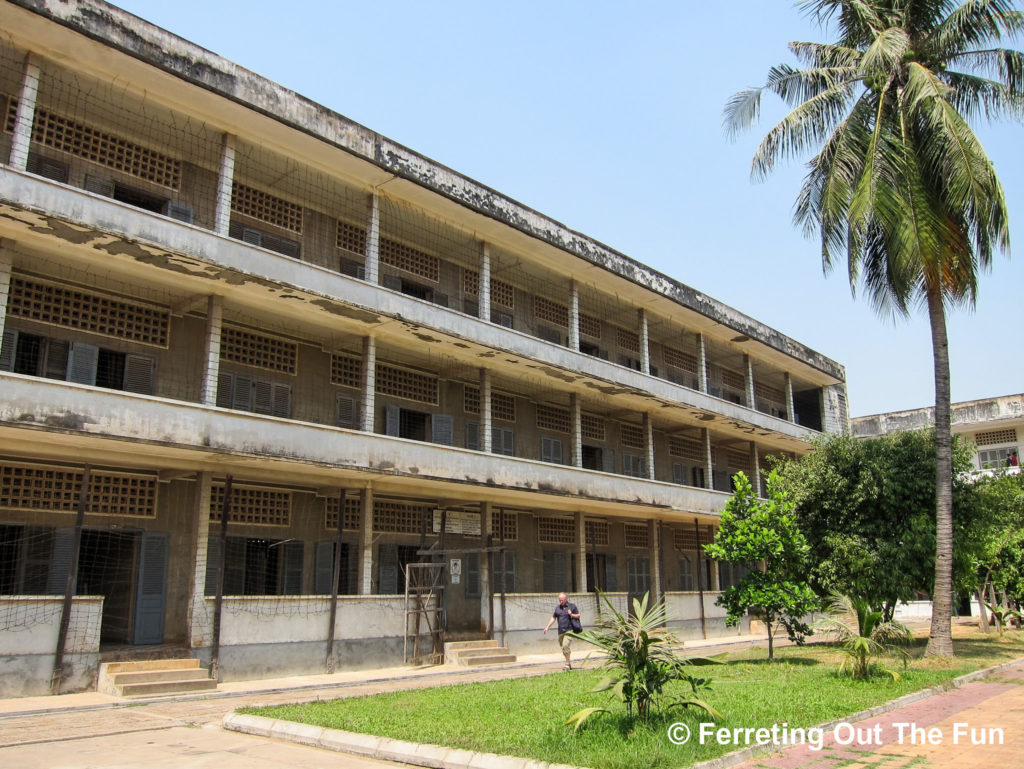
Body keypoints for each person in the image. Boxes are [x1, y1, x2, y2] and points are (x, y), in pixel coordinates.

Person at [542, 592, 581, 670]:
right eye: (559, 600)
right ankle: (568, 662)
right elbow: (553, 618)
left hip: (569, 631)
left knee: (565, 646)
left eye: (562, 600)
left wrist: (571, 614)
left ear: (566, 599)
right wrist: (547, 627)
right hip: (561, 631)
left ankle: (567, 664)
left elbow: (578, 615)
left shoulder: (572, 606)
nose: (561, 602)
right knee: (563, 648)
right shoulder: (558, 608)